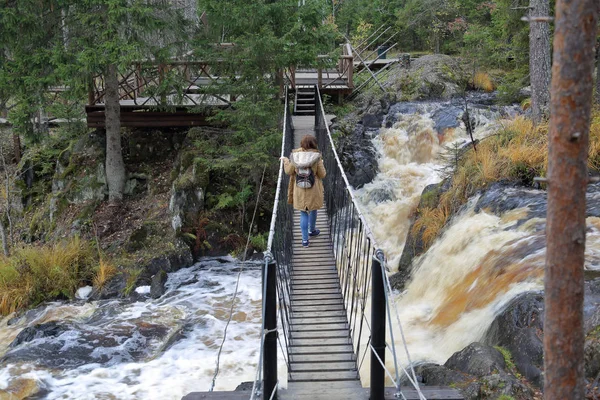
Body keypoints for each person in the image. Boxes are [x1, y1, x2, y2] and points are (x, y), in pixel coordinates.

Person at [281, 135, 326, 247]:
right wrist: (321, 163)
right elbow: (322, 174)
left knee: (303, 212)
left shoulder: (295, 155)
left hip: (299, 189)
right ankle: (312, 230)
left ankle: (305, 240)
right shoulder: (317, 156)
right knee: (313, 208)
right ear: (314, 144)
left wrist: (286, 161)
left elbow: (288, 171)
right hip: (313, 189)